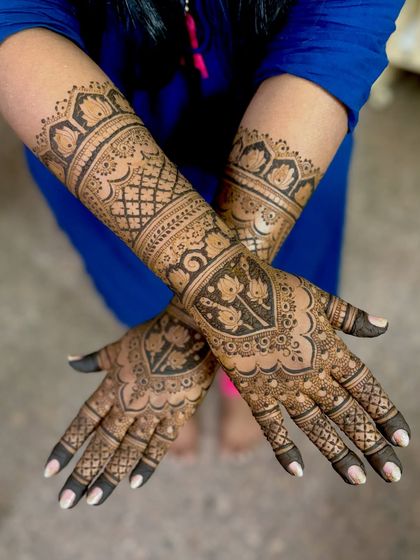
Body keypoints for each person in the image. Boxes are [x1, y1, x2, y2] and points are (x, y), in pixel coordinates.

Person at [0, 0, 410, 510]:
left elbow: (338, 28)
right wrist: (225, 295)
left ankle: (221, 378)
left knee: (286, 276)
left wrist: (191, 324)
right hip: (86, 120)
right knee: (139, 283)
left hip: (296, 120)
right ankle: (212, 372)